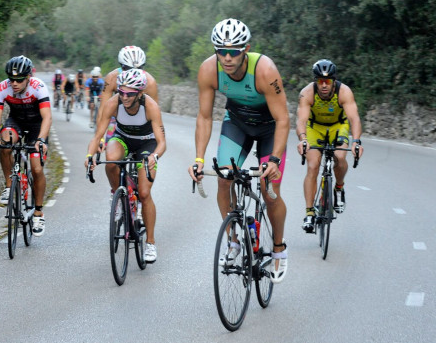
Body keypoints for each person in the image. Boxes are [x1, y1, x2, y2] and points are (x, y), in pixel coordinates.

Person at [188, 18, 290, 283]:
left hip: (270, 128)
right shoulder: (209, 70)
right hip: (238, 124)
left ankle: (278, 247)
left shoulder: (265, 70)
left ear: (246, 49)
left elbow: (283, 119)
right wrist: (198, 159)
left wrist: (275, 159)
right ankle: (234, 239)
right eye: (221, 51)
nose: (227, 57)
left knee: (270, 193)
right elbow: (204, 117)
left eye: (234, 51)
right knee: (224, 178)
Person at [85, 68, 166, 263]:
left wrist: (154, 156)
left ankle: (151, 243)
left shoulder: (150, 106)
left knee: (145, 194)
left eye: (129, 94)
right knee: (110, 159)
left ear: (139, 93)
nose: (124, 97)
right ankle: (119, 194)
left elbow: (162, 142)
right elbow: (98, 135)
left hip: (148, 143)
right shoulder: (114, 103)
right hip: (123, 139)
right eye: (121, 92)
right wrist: (90, 155)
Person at [296, 59, 364, 232]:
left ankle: (339, 188)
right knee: (313, 165)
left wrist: (356, 142)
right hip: (315, 127)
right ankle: (310, 213)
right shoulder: (307, 93)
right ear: (315, 81)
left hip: (338, 126)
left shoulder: (344, 92)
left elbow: (354, 119)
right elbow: (301, 120)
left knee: (340, 157)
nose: (324, 85)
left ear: (334, 81)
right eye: (320, 81)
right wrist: (303, 139)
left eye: (328, 81)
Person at [0, 55, 52, 237]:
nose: (14, 83)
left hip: (37, 126)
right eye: (11, 79)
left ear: (28, 77)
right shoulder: (1, 88)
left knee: (36, 168)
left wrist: (41, 140)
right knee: (5, 143)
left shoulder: (38, 87)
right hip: (16, 121)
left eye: (19, 80)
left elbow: (47, 117)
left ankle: (39, 213)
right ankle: (10, 186)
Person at [98, 46, 158, 143]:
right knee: (110, 148)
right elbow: (102, 110)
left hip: (140, 121)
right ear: (122, 67)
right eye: (128, 68)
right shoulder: (112, 78)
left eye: (139, 69)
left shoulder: (150, 82)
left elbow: (155, 115)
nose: (133, 72)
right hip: (117, 118)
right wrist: (100, 139)